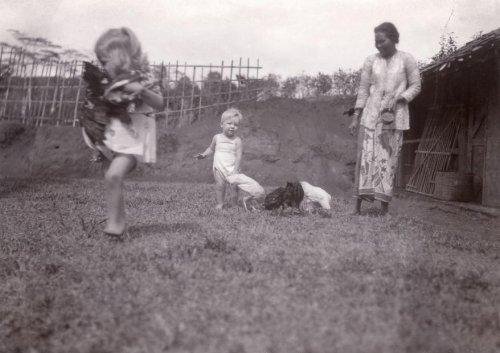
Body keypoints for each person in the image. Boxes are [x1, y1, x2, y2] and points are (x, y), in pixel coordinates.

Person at [84, 27, 163, 236]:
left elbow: (160, 103)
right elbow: (95, 107)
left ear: (121, 57)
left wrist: (142, 91)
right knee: (111, 179)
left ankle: (116, 225)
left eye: (105, 60)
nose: (102, 65)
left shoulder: (143, 76)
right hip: (111, 135)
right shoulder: (105, 81)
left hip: (133, 137)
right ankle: (117, 223)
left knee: (113, 175)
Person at [349, 22, 421, 215]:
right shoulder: (370, 61)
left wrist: (401, 98)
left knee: (388, 162)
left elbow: (416, 85)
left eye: (382, 41)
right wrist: (356, 115)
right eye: (376, 42)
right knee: (364, 160)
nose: (378, 45)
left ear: (393, 38)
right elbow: (363, 90)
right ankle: (357, 208)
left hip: (393, 119)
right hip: (370, 117)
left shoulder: (407, 59)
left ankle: (383, 209)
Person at [195, 108, 244, 210]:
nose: (232, 127)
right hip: (219, 167)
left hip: (233, 168)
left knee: (234, 187)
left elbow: (239, 156)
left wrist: (236, 169)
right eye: (229, 123)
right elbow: (211, 148)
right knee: (220, 186)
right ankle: (220, 203)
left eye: (235, 125)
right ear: (222, 124)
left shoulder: (237, 140)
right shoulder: (217, 138)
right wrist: (204, 155)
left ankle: (234, 205)